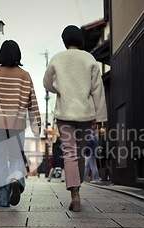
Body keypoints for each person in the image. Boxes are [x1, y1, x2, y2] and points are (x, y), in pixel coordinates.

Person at [43, 25, 107, 212]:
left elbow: (47, 83)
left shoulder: (57, 58)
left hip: (64, 113)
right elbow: (98, 90)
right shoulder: (89, 59)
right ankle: (78, 188)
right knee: (79, 153)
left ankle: (75, 194)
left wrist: (60, 88)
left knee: (69, 152)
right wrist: (101, 116)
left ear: (64, 40)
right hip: (86, 114)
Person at [0, 40, 41, 207]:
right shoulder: (25, 75)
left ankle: (2, 196)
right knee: (16, 157)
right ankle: (16, 179)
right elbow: (32, 101)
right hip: (17, 124)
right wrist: (37, 124)